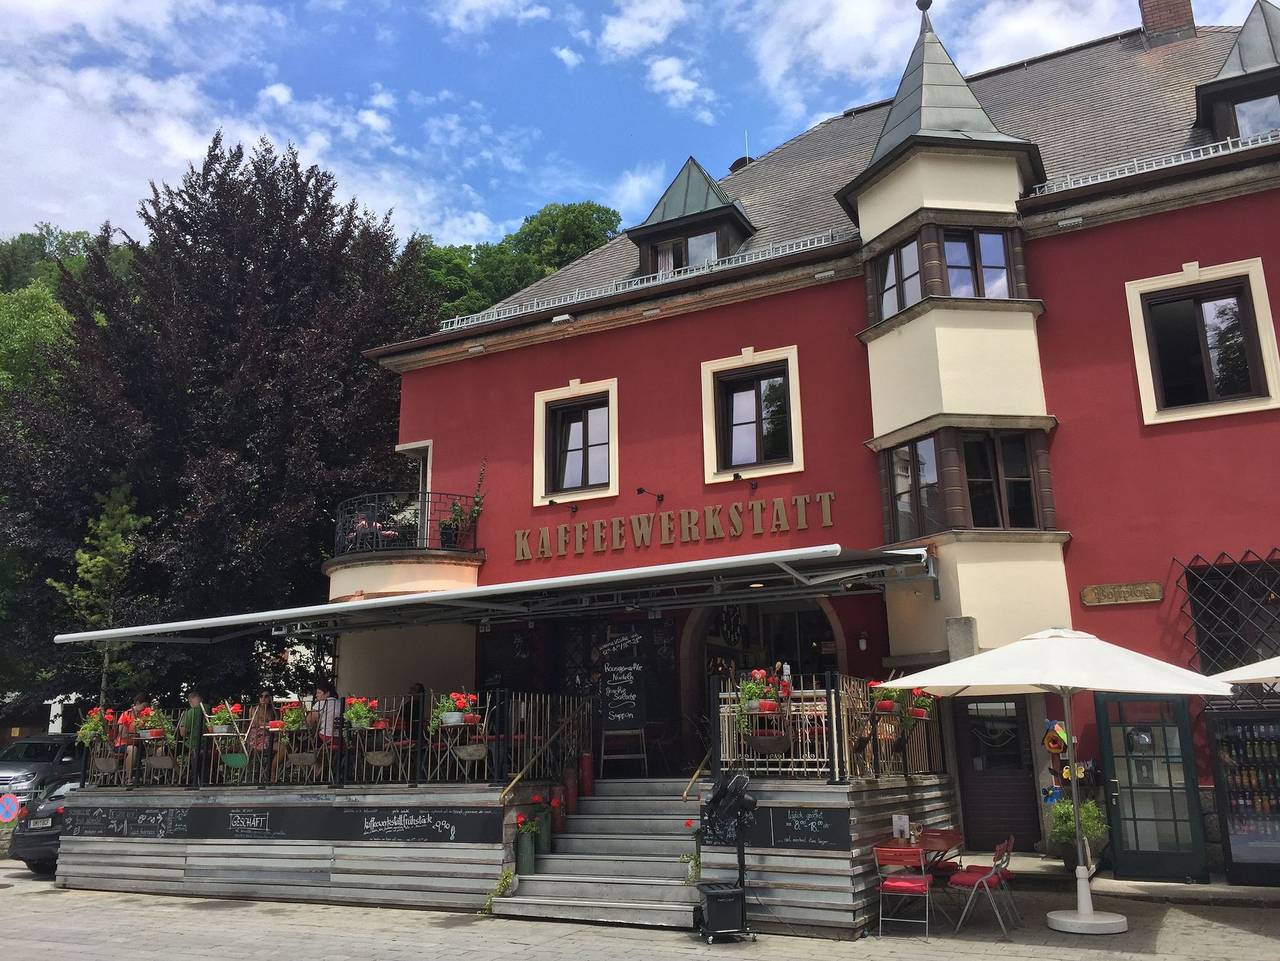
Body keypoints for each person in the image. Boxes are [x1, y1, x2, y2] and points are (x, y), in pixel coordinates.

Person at [308, 680, 340, 777]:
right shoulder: (340, 703)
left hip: (326, 738)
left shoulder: (321, 704)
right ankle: (323, 768)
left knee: (306, 743)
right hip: (341, 739)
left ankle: (317, 770)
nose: (316, 695)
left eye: (319, 693)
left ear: (327, 693)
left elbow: (309, 722)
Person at [115, 693, 149, 782]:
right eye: (144, 706)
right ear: (137, 703)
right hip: (123, 744)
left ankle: (145, 776)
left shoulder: (144, 715)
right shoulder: (126, 714)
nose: (145, 709)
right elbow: (122, 735)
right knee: (132, 749)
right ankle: (128, 777)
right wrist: (137, 735)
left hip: (140, 743)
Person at [177, 689, 205, 756]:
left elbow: (183, 733)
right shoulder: (209, 708)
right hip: (208, 744)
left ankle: (175, 766)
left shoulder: (190, 712)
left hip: (192, 745)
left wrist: (181, 722)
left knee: (162, 750)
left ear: (190, 701)